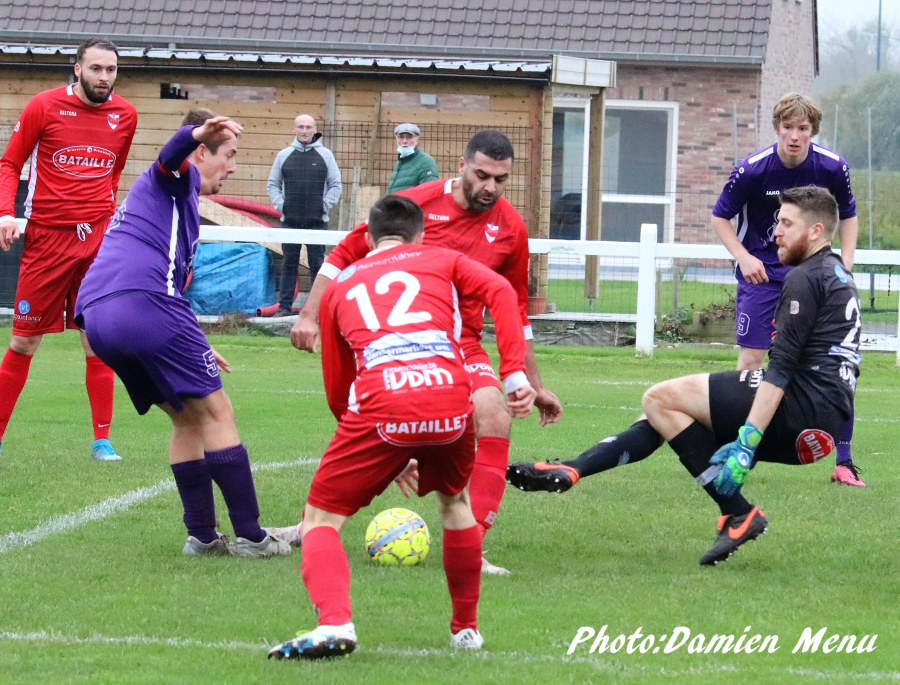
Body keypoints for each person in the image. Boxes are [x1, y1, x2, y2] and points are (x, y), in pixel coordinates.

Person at [508, 187, 861, 566]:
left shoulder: (804, 278)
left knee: (660, 399)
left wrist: (747, 442)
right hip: (825, 426)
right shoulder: (838, 271)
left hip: (799, 411)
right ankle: (576, 467)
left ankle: (737, 512)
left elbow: (780, 370)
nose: (776, 231)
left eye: (787, 223)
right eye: (778, 221)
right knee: (671, 414)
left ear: (816, 231)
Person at [267, 194, 536, 660]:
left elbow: (339, 387)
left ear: (369, 238)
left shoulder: (341, 287)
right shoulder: (445, 259)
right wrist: (514, 373)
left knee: (320, 520)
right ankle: (465, 631)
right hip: (451, 397)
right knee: (456, 504)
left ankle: (335, 624)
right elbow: (502, 292)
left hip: (382, 405)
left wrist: (379, 454)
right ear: (420, 234)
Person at [289, 130, 563, 575]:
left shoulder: (510, 228)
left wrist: (531, 380)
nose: (490, 187)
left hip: (462, 342)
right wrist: (309, 314)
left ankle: (471, 542)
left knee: (494, 414)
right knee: (374, 421)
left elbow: (513, 307)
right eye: (482, 175)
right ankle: (310, 524)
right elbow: (343, 253)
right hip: (402, 338)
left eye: (500, 179)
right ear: (461, 165)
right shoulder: (416, 206)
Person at [74, 111, 291, 558]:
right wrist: (193, 133)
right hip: (143, 307)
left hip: (98, 317)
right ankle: (253, 536)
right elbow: (169, 156)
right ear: (200, 152)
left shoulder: (167, 204)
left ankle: (203, 537)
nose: (232, 166)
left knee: (185, 417)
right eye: (228, 155)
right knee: (217, 413)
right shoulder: (175, 180)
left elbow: (162, 279)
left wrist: (192, 338)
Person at [711, 93, 863, 487]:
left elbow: (848, 215)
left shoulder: (832, 166)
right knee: (751, 362)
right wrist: (744, 257)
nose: (795, 136)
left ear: (813, 132)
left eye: (804, 129)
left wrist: (843, 264)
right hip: (762, 275)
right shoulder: (753, 169)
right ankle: (740, 451)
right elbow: (720, 216)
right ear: (777, 128)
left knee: (834, 365)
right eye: (788, 127)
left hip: (815, 275)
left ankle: (844, 462)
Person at [0, 38, 137, 462]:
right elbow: (9, 163)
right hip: (46, 239)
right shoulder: (43, 106)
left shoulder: (125, 115)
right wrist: (6, 212)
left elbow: (112, 174)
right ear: (77, 69)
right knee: (23, 342)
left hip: (97, 240)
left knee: (98, 339)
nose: (104, 77)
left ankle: (102, 441)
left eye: (111, 69)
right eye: (96, 68)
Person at [267, 114, 342, 317]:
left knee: (318, 266)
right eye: (300, 127)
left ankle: (319, 309)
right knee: (289, 265)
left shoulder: (325, 155)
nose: (304, 131)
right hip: (290, 222)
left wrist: (324, 206)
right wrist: (282, 206)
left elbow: (336, 184)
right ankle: (284, 308)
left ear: (314, 129)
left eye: (308, 127)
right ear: (294, 129)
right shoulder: (284, 155)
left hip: (317, 223)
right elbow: (272, 184)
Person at [385, 123, 439, 194]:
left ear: (417, 140)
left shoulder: (426, 162)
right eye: (401, 137)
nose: (404, 141)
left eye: (409, 137)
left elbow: (429, 193)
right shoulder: (401, 160)